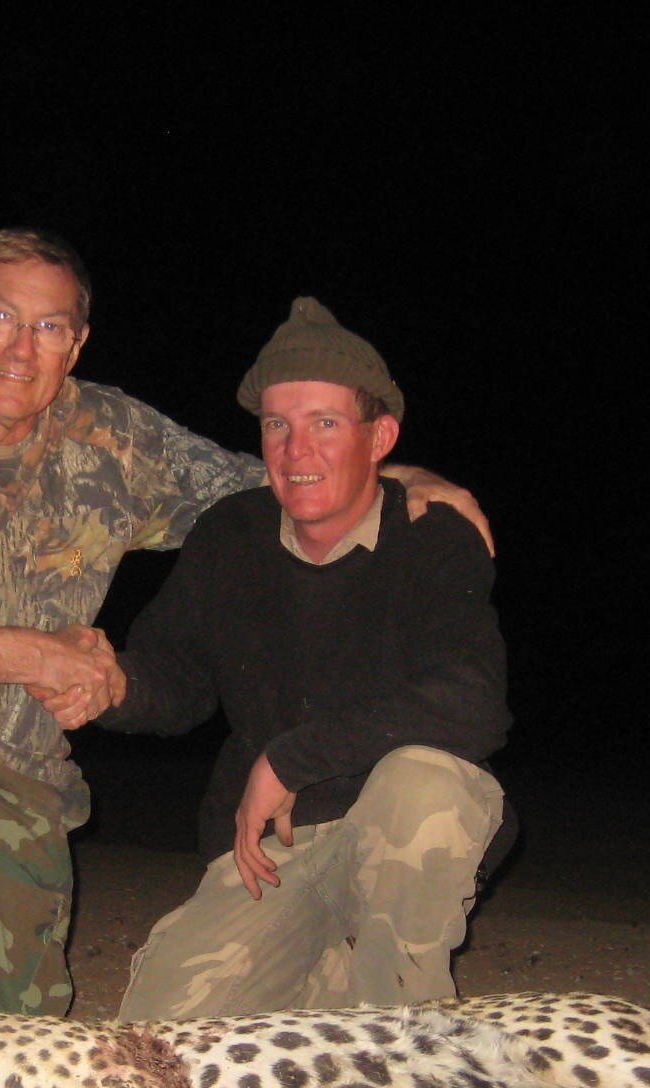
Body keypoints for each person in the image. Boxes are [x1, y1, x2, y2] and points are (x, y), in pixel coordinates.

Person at [0, 232, 488, 1023]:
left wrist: (408, 475)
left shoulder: (114, 439)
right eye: (0, 315)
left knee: (16, 1045)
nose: (20, 347)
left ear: (76, 345)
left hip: (14, 768)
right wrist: (37, 653)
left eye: (48, 327)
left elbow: (285, 482)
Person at [92, 298, 511, 1022]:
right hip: (274, 850)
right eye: (277, 426)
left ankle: (404, 1048)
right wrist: (111, 683)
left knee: (424, 781)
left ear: (380, 436)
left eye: (324, 423)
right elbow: (180, 676)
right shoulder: (231, 536)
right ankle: (325, 986)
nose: (296, 450)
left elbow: (473, 700)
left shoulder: (431, 536)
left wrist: (293, 759)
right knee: (155, 1042)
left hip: (396, 836)